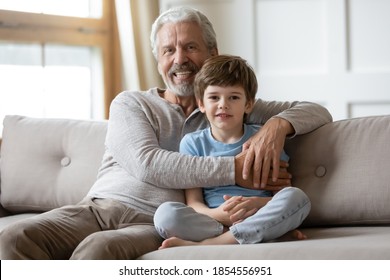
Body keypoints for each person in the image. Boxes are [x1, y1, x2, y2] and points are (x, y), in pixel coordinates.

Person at [0, 6, 331, 260]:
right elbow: (148, 164)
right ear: (158, 59)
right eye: (168, 51)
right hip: (97, 209)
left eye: (190, 47)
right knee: (13, 238)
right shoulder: (132, 103)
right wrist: (237, 169)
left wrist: (278, 126)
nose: (180, 59)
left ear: (212, 54)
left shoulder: (226, 107)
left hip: (152, 222)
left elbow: (317, 111)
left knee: (97, 252)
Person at [154, 55, 311, 248]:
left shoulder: (263, 140)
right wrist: (219, 215)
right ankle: (254, 233)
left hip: (257, 214)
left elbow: (280, 193)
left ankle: (213, 244)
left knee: (298, 198)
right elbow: (193, 203)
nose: (223, 104)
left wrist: (255, 205)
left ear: (248, 104)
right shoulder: (192, 143)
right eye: (214, 97)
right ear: (201, 103)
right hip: (214, 221)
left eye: (233, 97)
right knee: (165, 215)